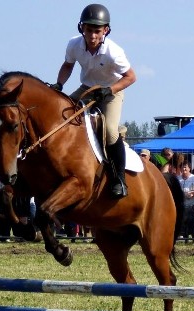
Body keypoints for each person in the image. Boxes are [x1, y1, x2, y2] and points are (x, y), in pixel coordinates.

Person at [51, 3, 137, 198]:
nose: (92, 35)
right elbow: (67, 65)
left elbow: (131, 77)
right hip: (86, 88)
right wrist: (59, 84)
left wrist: (109, 90)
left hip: (112, 91)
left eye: (97, 31)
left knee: (109, 131)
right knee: (61, 116)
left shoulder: (113, 51)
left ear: (105, 30)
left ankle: (119, 180)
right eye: (89, 30)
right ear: (82, 27)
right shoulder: (74, 44)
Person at [178, 161, 194, 243]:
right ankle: (186, 238)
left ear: (189, 168)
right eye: (182, 167)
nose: (184, 169)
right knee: (183, 219)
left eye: (186, 167)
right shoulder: (178, 178)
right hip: (183, 203)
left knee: (192, 218)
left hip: (193, 203)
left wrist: (193, 194)